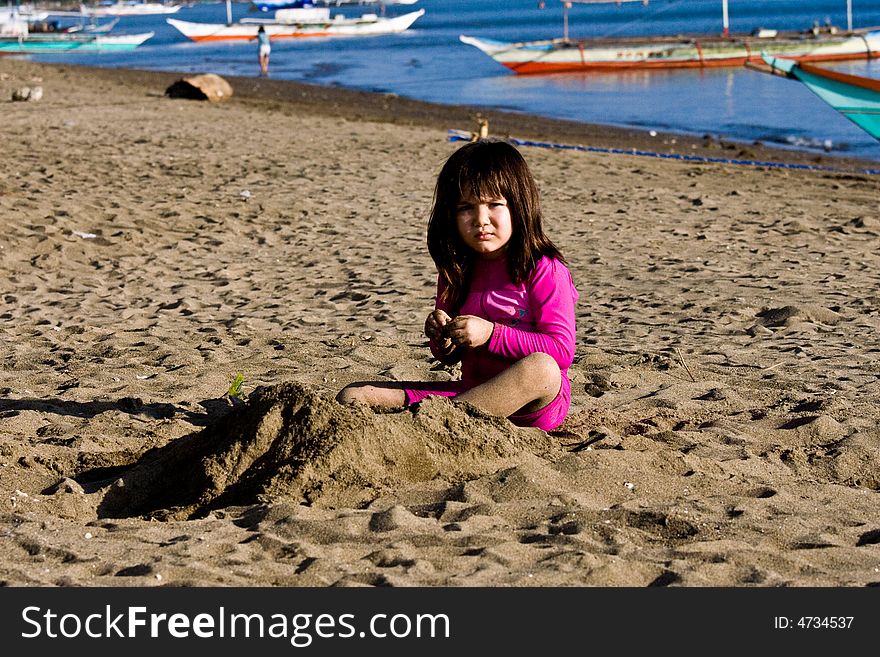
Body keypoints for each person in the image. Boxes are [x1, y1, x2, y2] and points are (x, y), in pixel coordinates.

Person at [336, 139, 579, 432]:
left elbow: (561, 350)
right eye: (467, 207)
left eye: (494, 205)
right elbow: (448, 357)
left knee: (543, 368)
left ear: (519, 206)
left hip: (532, 405)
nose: (481, 220)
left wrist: (490, 334)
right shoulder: (457, 269)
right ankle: (444, 421)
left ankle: (439, 424)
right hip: (472, 395)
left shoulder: (543, 269)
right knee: (354, 394)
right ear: (451, 214)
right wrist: (443, 337)